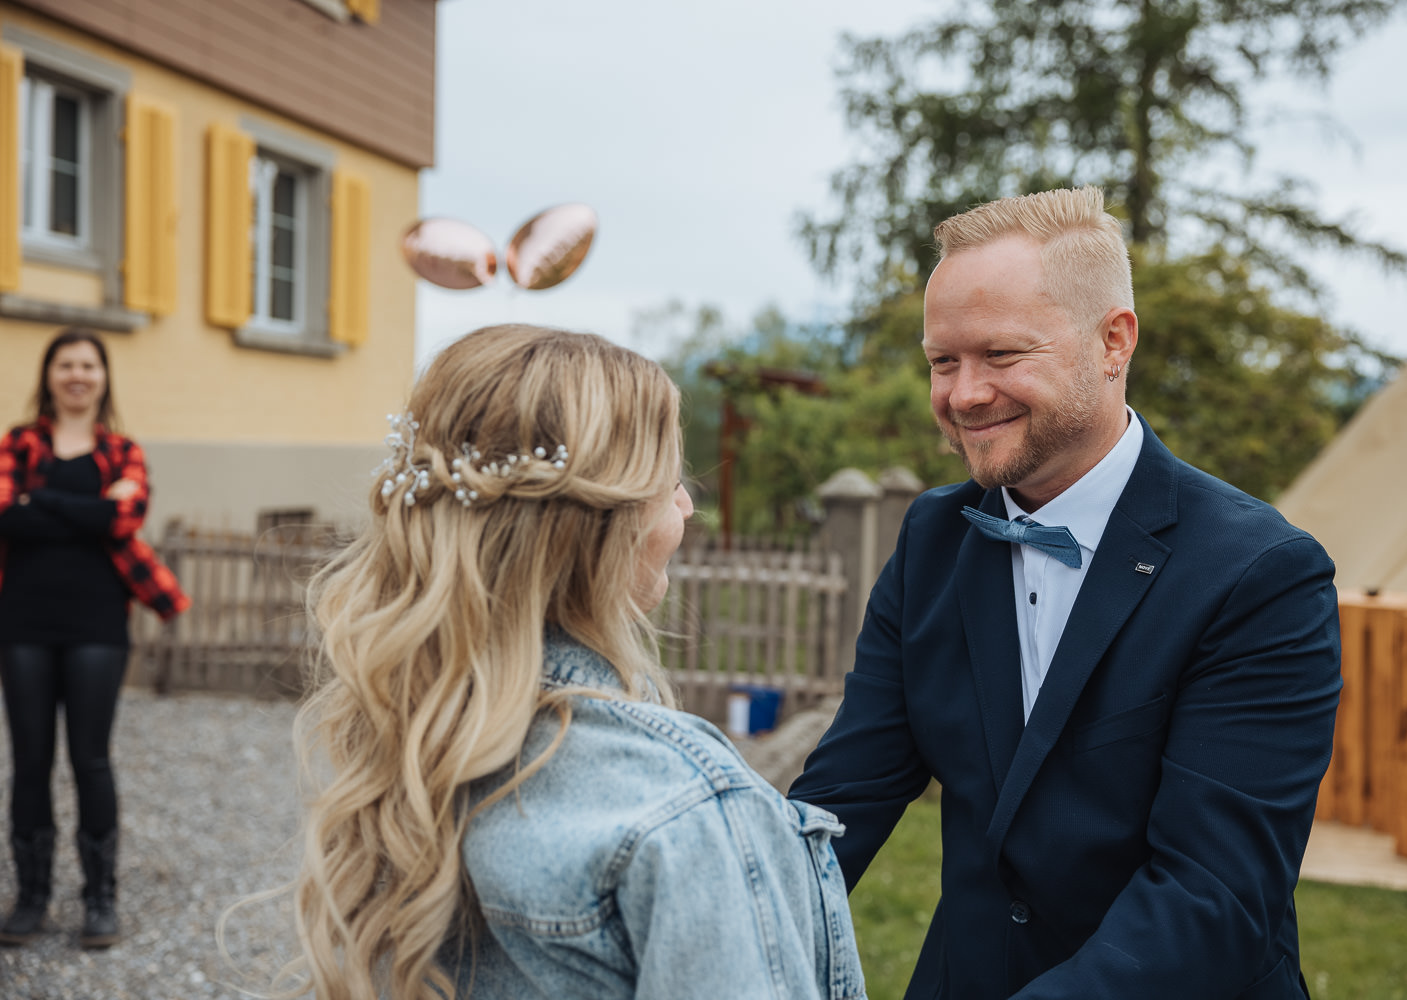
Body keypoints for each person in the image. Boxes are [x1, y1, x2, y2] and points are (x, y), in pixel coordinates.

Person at [790, 187, 1341, 999]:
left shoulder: (1261, 574)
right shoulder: (933, 540)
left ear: (1113, 341)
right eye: (943, 361)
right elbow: (844, 801)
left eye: (1003, 356)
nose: (964, 394)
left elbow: (1214, 896)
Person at [282, 325, 865, 1000]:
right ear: (604, 527)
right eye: (669, 480)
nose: (687, 505)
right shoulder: (683, 806)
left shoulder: (415, 741)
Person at [0, 328, 190, 949]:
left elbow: (125, 519)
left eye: (88, 364)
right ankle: (30, 900)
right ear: (49, 374)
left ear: (104, 376)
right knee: (30, 762)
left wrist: (41, 502)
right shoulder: (18, 441)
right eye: (66, 364)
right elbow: (6, 516)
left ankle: (99, 901)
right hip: (23, 622)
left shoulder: (122, 450)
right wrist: (84, 510)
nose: (77, 374)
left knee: (92, 760)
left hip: (97, 626)